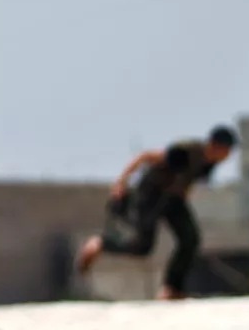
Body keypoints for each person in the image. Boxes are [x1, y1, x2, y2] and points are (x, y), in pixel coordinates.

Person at [76, 125, 239, 300]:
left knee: (190, 239)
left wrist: (183, 198)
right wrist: (121, 183)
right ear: (216, 146)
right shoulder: (184, 152)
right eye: (227, 150)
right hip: (150, 196)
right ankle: (99, 244)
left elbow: (189, 179)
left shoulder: (209, 164)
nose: (227, 156)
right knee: (142, 246)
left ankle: (171, 289)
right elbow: (145, 157)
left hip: (173, 200)